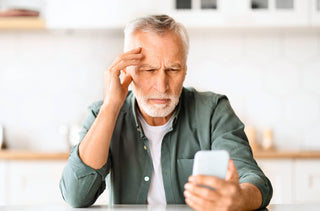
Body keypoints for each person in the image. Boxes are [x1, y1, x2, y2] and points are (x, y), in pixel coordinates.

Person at [60, 14, 273, 210]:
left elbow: (255, 180)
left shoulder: (213, 111)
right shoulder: (102, 113)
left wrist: (238, 198)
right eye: (149, 70)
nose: (162, 86)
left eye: (173, 69)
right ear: (127, 71)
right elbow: (76, 196)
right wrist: (111, 106)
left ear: (185, 70)